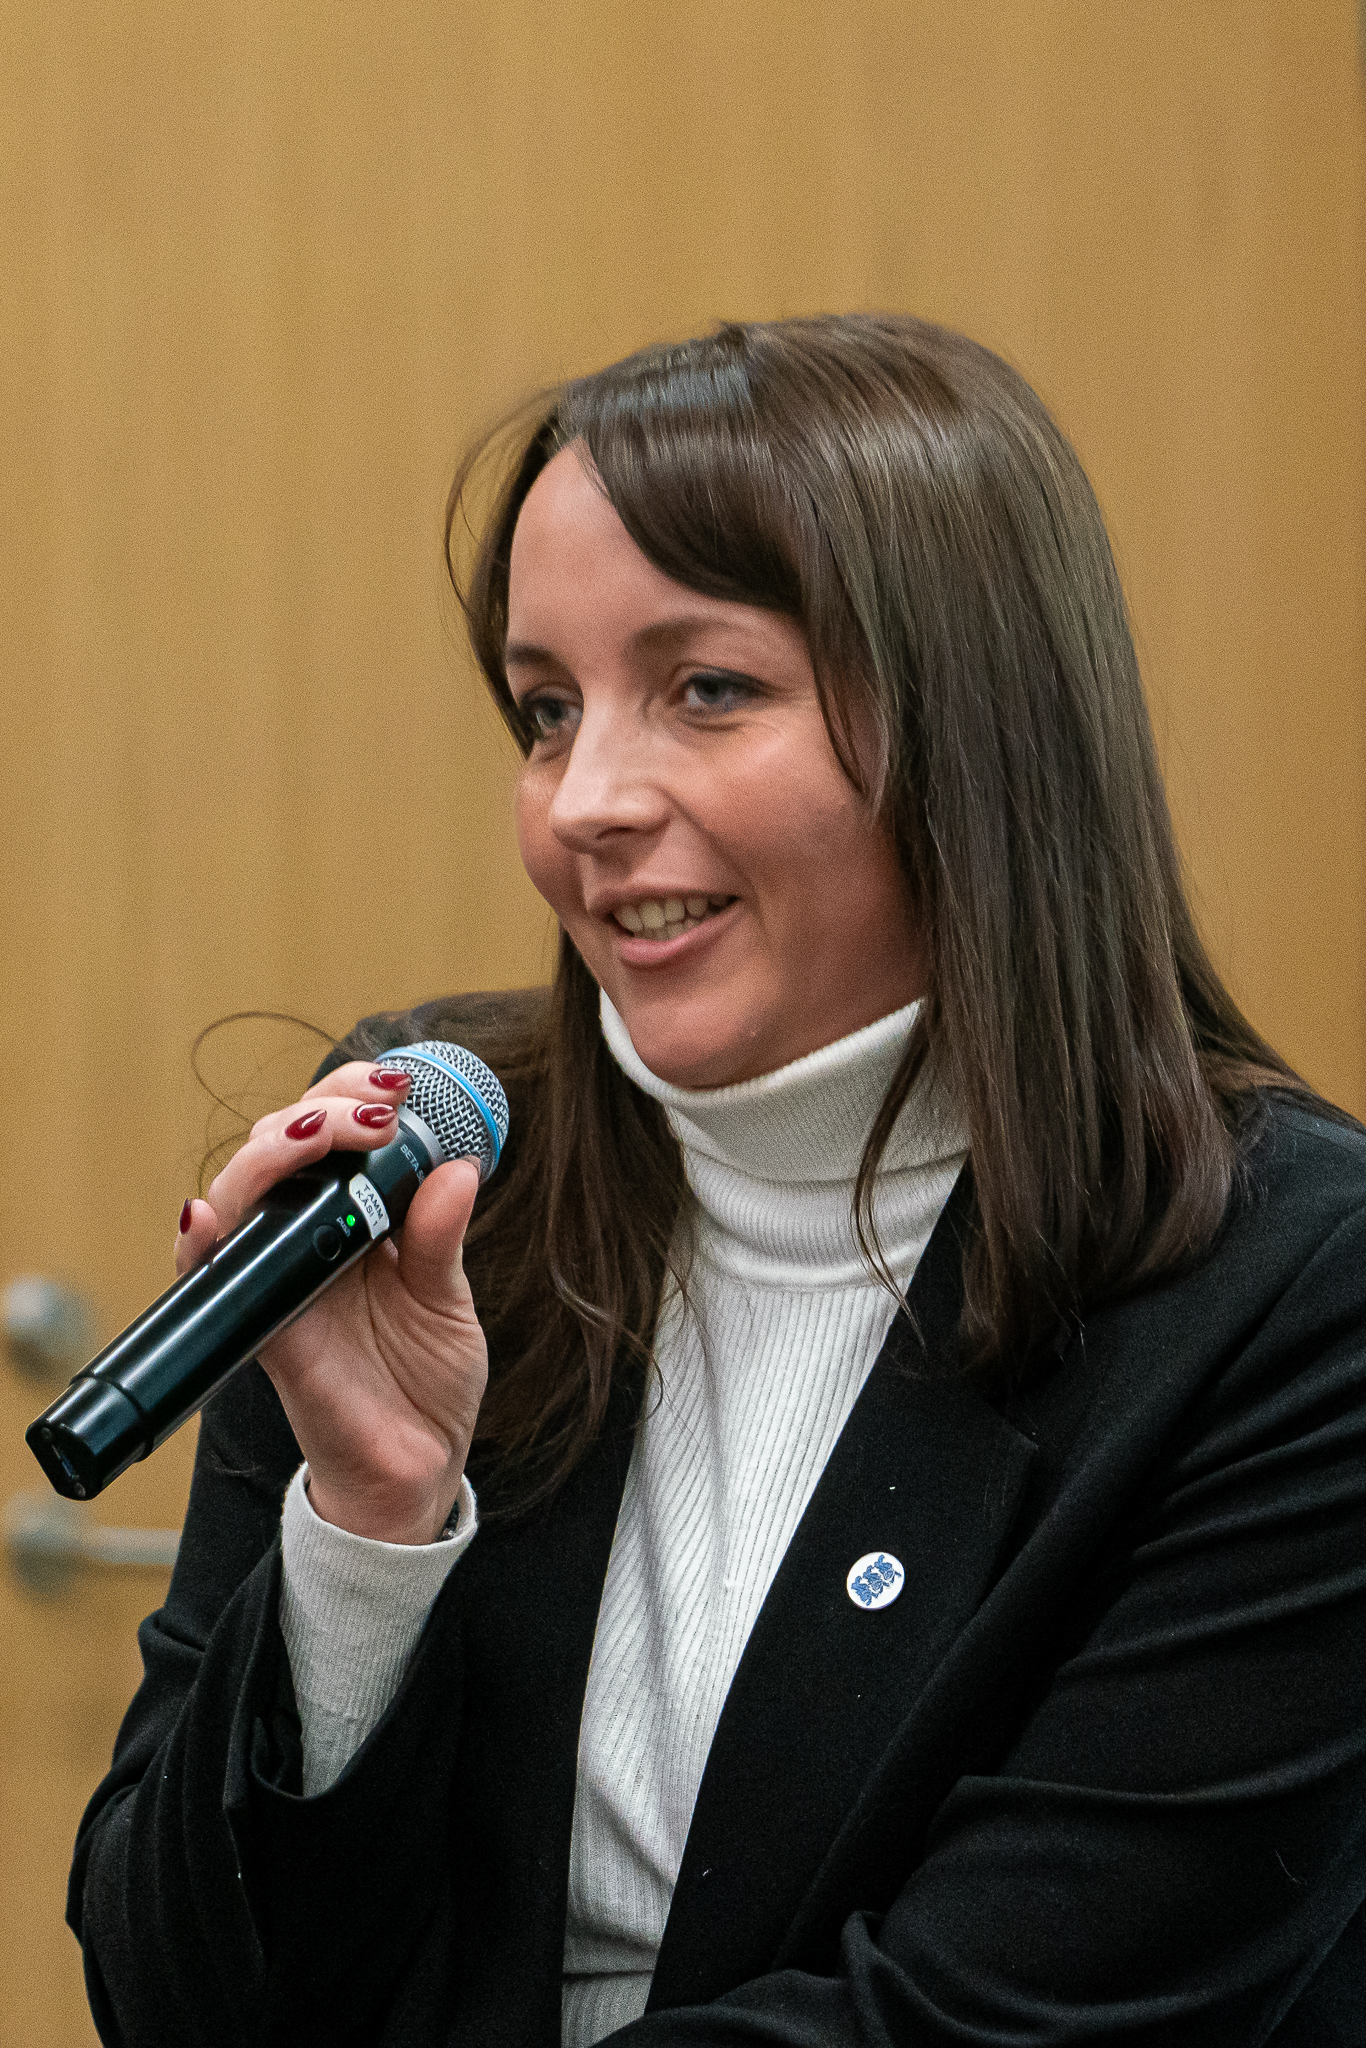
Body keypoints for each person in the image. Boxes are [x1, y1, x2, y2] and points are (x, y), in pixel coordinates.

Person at [69, 315, 1366, 2046]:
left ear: (974, 729)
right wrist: (366, 1537)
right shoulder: (430, 1168)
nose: (583, 803)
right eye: (547, 710)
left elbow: (998, 2018)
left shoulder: (1289, 1284)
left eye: (708, 689)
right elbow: (177, 2002)